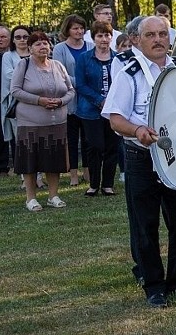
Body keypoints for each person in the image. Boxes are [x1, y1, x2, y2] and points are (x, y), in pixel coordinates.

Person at [102, 16, 176, 308]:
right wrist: (138, 130)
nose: (158, 40)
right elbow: (115, 119)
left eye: (162, 34)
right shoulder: (128, 73)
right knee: (145, 223)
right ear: (136, 41)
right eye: (150, 35)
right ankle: (153, 285)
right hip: (140, 157)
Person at [12, 31, 75, 212]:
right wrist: (39, 100)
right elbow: (15, 90)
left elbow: (70, 90)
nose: (42, 47)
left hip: (57, 122)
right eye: (38, 44)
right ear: (30, 48)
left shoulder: (58, 66)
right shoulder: (23, 65)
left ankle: (53, 195)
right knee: (30, 161)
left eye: (45, 43)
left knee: (53, 159)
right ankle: (31, 198)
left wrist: (61, 101)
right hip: (30, 123)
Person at [75, 21, 118, 196]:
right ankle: (93, 184)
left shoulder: (118, 58)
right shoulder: (84, 58)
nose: (104, 39)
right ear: (93, 38)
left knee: (112, 147)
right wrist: (100, 100)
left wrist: (111, 102)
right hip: (90, 110)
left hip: (114, 110)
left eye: (107, 35)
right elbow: (81, 85)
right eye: (100, 35)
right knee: (95, 146)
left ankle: (108, 184)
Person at [52, 14, 93, 186]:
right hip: (69, 100)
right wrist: (80, 83)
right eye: (75, 28)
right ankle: (73, 173)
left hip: (89, 100)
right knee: (71, 138)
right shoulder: (60, 48)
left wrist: (87, 86)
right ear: (68, 30)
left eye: (81, 28)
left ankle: (88, 172)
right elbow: (59, 73)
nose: (79, 31)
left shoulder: (91, 46)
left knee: (88, 139)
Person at [2, 25, 32, 169]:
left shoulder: (35, 54)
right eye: (18, 37)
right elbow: (9, 76)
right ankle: (23, 176)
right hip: (17, 103)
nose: (22, 40)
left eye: (25, 37)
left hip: (35, 103)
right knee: (19, 139)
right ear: (13, 40)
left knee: (35, 139)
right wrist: (32, 80)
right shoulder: (8, 56)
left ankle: (38, 176)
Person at [0, 25, 12, 174]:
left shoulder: (12, 57)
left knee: (9, 134)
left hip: (9, 101)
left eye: (3, 37)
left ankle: (9, 165)